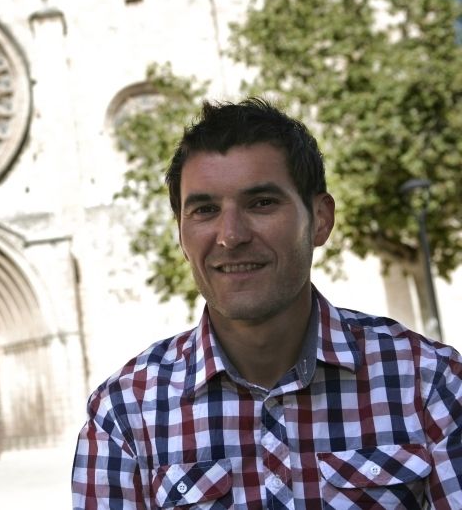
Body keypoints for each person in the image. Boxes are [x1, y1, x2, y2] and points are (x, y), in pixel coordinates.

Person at [71, 98, 462, 509]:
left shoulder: (429, 384)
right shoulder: (125, 415)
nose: (231, 235)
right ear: (181, 237)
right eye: (204, 210)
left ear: (320, 219)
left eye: (261, 203)